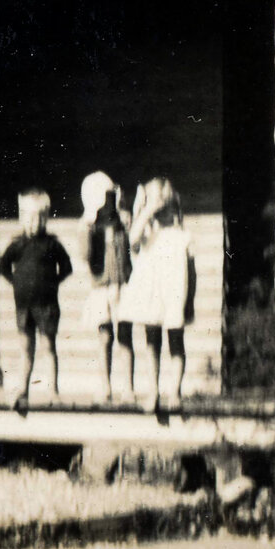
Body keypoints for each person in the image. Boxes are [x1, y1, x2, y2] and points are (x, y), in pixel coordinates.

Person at [117, 177, 196, 416]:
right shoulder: (148, 235)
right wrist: (147, 209)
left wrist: (190, 301)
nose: (161, 210)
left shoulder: (183, 236)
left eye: (165, 204)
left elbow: (192, 273)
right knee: (152, 342)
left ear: (174, 206)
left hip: (174, 297)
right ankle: (153, 391)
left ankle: (174, 392)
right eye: (157, 204)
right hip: (152, 297)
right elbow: (132, 238)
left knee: (175, 341)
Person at [0, 189, 72, 415]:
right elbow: (3, 268)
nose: (35, 222)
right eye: (30, 217)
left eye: (40, 217)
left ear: (46, 218)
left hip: (47, 306)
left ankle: (53, 392)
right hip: (24, 307)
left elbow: (67, 268)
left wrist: (53, 283)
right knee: (26, 349)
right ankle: (23, 391)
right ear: (22, 218)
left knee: (48, 347)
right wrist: (17, 284)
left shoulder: (52, 244)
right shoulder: (17, 245)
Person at [79, 171, 131, 403]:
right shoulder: (90, 228)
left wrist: (123, 212)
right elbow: (84, 255)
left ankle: (128, 386)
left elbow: (133, 250)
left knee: (125, 337)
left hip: (122, 287)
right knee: (104, 338)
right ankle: (105, 385)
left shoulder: (122, 225)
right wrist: (88, 228)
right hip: (101, 289)